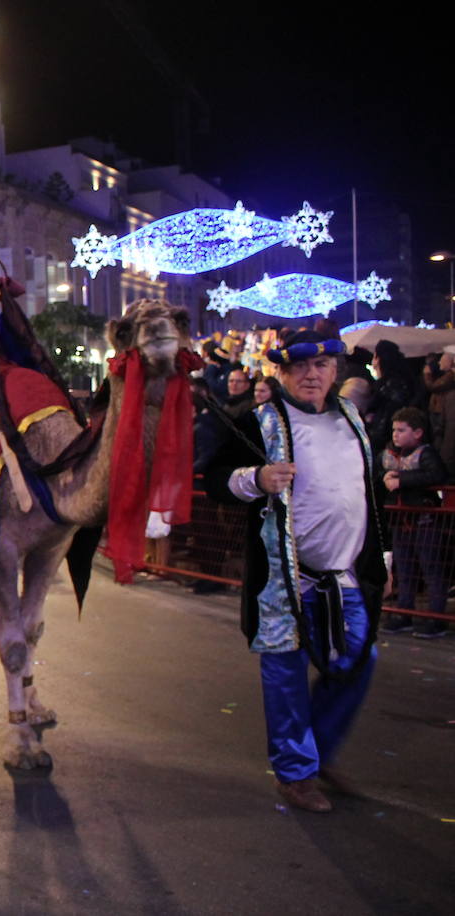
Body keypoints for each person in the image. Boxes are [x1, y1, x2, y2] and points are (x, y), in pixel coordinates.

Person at [205, 329, 385, 814]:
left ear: (335, 372)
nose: (311, 375)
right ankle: (296, 773)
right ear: (282, 372)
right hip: (285, 578)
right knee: (284, 673)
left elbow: (365, 490)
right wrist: (256, 479)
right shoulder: (257, 419)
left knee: (360, 660)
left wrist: (380, 549)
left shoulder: (351, 418)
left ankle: (315, 751)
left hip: (343, 575)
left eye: (322, 366)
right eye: (301, 367)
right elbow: (215, 478)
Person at [380, 407, 448, 637]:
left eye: (401, 430)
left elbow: (437, 475)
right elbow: (375, 472)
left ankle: (436, 617)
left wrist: (403, 480)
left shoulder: (426, 453)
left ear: (417, 433)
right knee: (404, 568)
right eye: (394, 430)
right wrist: (384, 477)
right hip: (399, 520)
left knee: (431, 568)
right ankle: (404, 613)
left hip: (423, 518)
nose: (395, 434)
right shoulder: (388, 453)